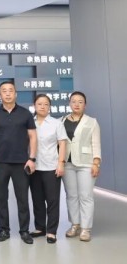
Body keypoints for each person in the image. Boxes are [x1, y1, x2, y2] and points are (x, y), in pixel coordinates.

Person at [0, 81, 37, 245]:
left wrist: (32, 158)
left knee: (22, 199)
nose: (8, 93)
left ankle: (24, 231)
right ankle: (4, 230)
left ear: (16, 94)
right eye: (4, 91)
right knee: (1, 198)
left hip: (21, 163)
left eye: (11, 90)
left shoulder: (25, 114)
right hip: (0, 163)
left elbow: (33, 137)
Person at [61, 91, 101, 242]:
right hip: (67, 164)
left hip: (86, 163)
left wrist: (96, 163)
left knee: (86, 196)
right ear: (69, 103)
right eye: (73, 101)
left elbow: (96, 143)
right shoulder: (62, 121)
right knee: (71, 195)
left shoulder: (92, 122)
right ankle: (75, 225)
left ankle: (86, 228)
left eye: (80, 102)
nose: (76, 104)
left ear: (85, 105)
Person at [28, 94, 67, 244]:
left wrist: (61, 163)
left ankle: (51, 231)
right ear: (34, 106)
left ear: (49, 107)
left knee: (52, 200)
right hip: (34, 167)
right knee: (37, 199)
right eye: (39, 104)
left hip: (51, 166)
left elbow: (62, 144)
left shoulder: (56, 123)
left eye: (46, 104)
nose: (43, 107)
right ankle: (40, 228)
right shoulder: (30, 123)